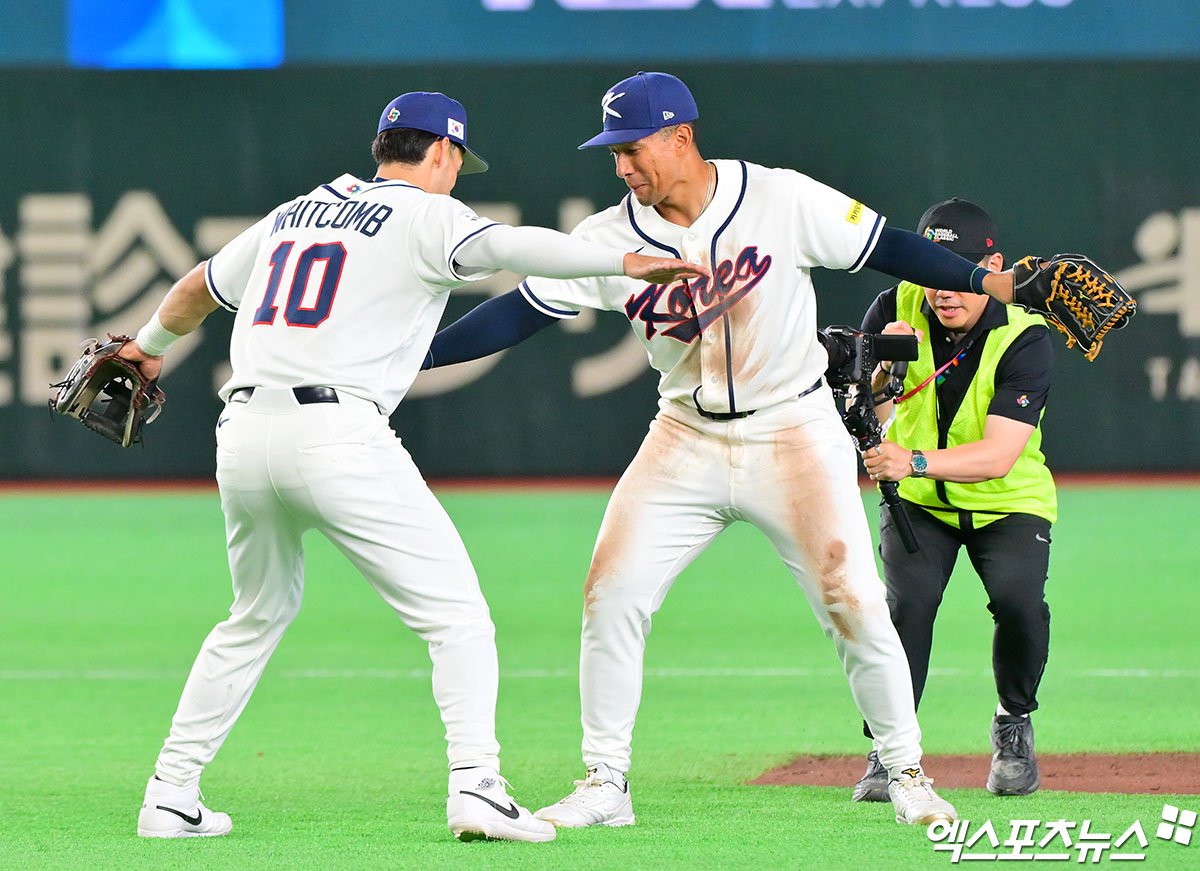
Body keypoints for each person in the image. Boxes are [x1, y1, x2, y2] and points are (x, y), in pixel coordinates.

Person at [420, 71, 1045, 830]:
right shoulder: (609, 238)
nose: (621, 166)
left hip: (794, 431)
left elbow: (890, 248)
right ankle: (605, 780)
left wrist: (988, 280)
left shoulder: (778, 198)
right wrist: (409, 358)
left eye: (632, 147)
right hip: (682, 435)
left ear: (681, 137)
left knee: (854, 599)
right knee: (610, 593)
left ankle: (907, 769)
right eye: (613, 151)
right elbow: (517, 314)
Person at [118, 90, 705, 843]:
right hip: (336, 434)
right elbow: (515, 247)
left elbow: (199, 288)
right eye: (459, 162)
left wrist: (145, 347)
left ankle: (170, 791)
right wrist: (622, 260)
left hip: (243, 433)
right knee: (457, 616)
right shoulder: (428, 215)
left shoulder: (299, 209)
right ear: (445, 152)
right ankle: (478, 787)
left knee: (254, 614)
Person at [853, 198, 1055, 802]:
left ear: (990, 266)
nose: (943, 289)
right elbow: (863, 407)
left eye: (959, 272)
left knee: (1019, 603)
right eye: (932, 271)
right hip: (917, 500)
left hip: (1006, 498)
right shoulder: (893, 307)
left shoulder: (1026, 334)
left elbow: (997, 456)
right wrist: (880, 377)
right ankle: (891, 751)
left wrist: (909, 459)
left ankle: (1013, 722)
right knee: (907, 606)